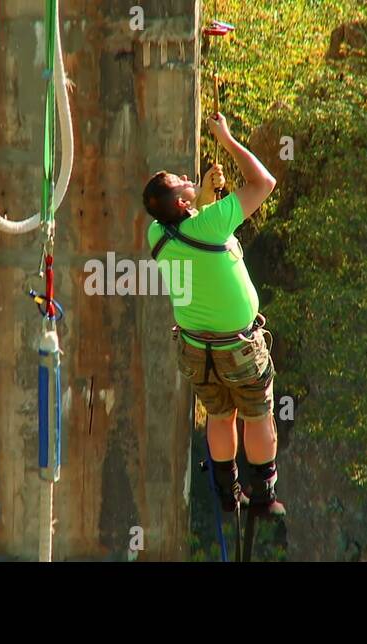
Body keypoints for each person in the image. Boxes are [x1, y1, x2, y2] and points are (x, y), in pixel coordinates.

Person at [142, 112, 284, 518]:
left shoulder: (158, 234)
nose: (189, 178)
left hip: (194, 348)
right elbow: (263, 183)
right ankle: (264, 495)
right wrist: (226, 139)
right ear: (183, 203)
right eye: (182, 182)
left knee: (221, 416)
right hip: (238, 348)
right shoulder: (211, 224)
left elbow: (192, 228)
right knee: (257, 415)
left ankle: (228, 492)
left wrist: (202, 194)